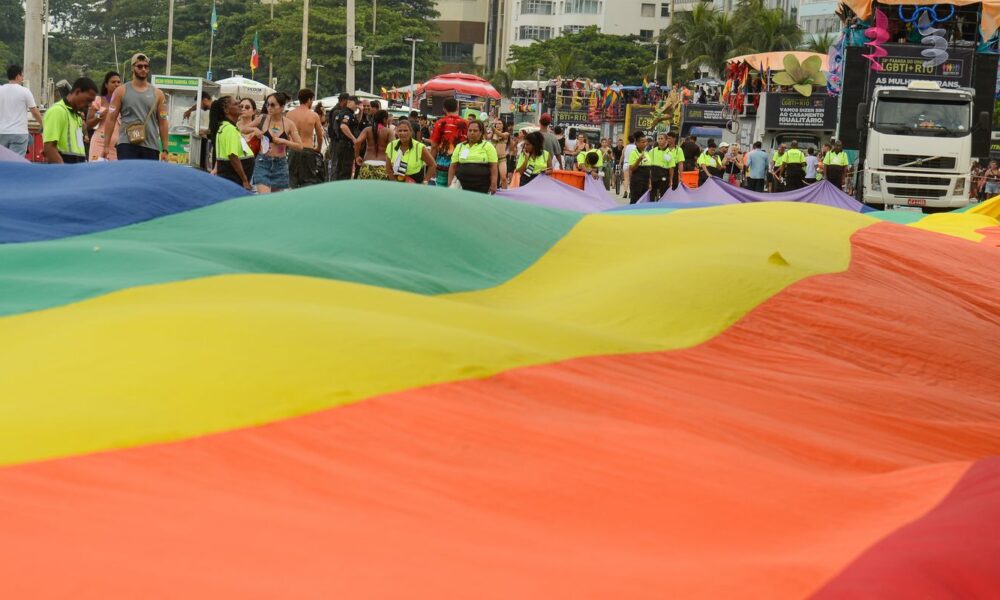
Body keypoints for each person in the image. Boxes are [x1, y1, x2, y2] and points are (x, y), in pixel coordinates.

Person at [102, 53, 169, 161]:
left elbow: (163, 122)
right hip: (126, 144)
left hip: (150, 146)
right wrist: (106, 146)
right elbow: (111, 119)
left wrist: (165, 149)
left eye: (146, 66)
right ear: (132, 68)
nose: (143, 69)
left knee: (147, 178)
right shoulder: (121, 91)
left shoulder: (158, 94)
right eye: (139, 66)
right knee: (128, 177)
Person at [251, 92, 303, 193]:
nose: (269, 107)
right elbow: (243, 128)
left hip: (280, 164)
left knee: (276, 201)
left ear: (282, 107)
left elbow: (300, 146)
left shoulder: (289, 124)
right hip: (263, 162)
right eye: (267, 104)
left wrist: (284, 141)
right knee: (265, 198)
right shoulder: (263, 118)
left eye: (273, 105)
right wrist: (254, 130)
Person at [42, 77, 97, 164]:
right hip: (65, 170)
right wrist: (65, 172)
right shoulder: (57, 111)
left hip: (77, 168)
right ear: (78, 92)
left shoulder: (77, 116)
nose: (90, 105)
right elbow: (49, 148)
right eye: (88, 100)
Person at [209, 96, 253, 190]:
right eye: (236, 104)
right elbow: (232, 156)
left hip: (229, 176)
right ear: (226, 110)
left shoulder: (225, 127)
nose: (240, 106)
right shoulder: (229, 129)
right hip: (233, 178)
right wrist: (244, 179)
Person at [0, 64, 44, 157]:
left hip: (1, 133)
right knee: (16, 164)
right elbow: (35, 112)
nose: (23, 77)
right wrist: (44, 124)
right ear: (17, 76)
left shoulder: (1, 90)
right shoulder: (25, 91)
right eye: (22, 75)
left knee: (2, 163)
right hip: (19, 133)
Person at [287, 88, 326, 187]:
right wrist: (318, 148)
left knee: (292, 180)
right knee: (309, 181)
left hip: (293, 150)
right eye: (312, 100)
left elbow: (285, 134)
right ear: (309, 100)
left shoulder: (289, 114)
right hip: (308, 150)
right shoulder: (313, 115)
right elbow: (320, 136)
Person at [448, 119, 499, 194]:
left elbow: (493, 167)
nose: (472, 132)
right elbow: (453, 166)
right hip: (461, 185)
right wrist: (450, 183)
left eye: (475, 131)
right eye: (470, 130)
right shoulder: (460, 146)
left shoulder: (488, 146)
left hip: (482, 185)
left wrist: (494, 184)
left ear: (481, 133)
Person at [430, 97, 469, 186]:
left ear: (444, 109)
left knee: (441, 188)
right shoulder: (466, 123)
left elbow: (434, 146)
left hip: (443, 162)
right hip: (461, 162)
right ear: (458, 107)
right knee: (458, 187)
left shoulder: (440, 123)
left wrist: (431, 165)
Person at [86, 71, 122, 161]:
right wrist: (99, 116)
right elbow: (88, 123)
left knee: (113, 173)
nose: (116, 84)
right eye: (113, 82)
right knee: (95, 171)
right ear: (106, 85)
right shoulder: (99, 100)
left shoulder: (124, 103)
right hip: (99, 142)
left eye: (118, 82)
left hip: (116, 146)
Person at [385, 119, 435, 183]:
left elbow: (433, 165)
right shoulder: (391, 145)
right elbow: (388, 168)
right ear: (396, 132)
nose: (402, 133)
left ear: (411, 132)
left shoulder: (419, 147)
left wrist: (425, 182)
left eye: (405, 130)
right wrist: (395, 183)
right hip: (396, 183)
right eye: (400, 130)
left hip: (415, 184)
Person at [354, 108, 392, 180]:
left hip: (367, 164)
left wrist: (357, 156)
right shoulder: (388, 131)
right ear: (384, 119)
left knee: (365, 190)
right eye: (387, 119)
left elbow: (357, 142)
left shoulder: (367, 130)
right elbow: (394, 146)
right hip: (383, 165)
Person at [332, 95, 360, 180]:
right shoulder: (347, 113)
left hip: (341, 144)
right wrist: (353, 139)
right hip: (345, 145)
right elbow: (343, 126)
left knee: (340, 169)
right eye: (356, 104)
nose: (357, 106)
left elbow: (355, 123)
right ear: (350, 102)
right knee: (345, 169)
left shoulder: (345, 112)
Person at [648, 132, 675, 200]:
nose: (660, 140)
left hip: (664, 175)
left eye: (661, 138)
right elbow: (648, 166)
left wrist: (671, 180)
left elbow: (671, 168)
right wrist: (649, 179)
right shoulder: (652, 151)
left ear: (666, 141)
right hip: (654, 174)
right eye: (659, 138)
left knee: (663, 195)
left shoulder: (669, 153)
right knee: (651, 195)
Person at [627, 132, 651, 204]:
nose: (645, 143)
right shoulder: (633, 153)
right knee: (635, 200)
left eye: (646, 142)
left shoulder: (646, 153)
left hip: (645, 180)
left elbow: (649, 169)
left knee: (643, 200)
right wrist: (639, 160)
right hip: (637, 180)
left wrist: (650, 182)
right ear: (637, 143)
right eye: (643, 142)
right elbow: (632, 168)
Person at [488, 120, 510, 189]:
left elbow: (501, 135)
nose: (498, 125)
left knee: (503, 178)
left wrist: (493, 129)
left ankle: (505, 195)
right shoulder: (492, 133)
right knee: (491, 178)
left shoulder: (506, 133)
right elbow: (486, 137)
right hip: (493, 159)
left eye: (500, 123)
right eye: (496, 124)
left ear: (503, 125)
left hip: (502, 159)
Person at [621, 132, 638, 198]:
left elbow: (622, 157)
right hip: (633, 165)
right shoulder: (636, 148)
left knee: (626, 179)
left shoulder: (625, 147)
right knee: (632, 179)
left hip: (625, 164)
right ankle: (631, 192)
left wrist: (619, 164)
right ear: (635, 140)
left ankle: (625, 192)